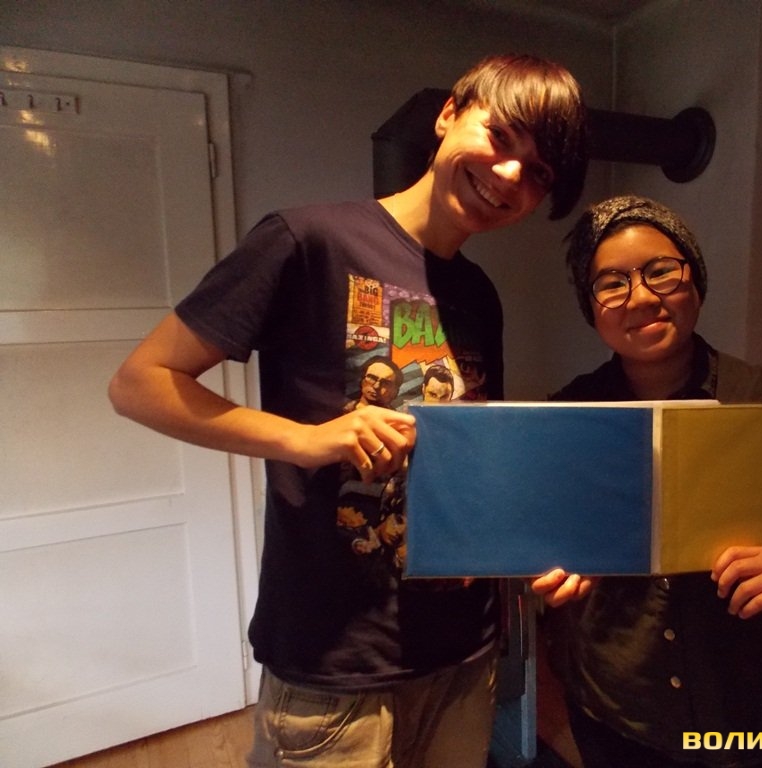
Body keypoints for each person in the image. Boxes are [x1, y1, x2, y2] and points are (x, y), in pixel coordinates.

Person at [108, 53, 588, 768]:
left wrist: (535, 547)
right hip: (334, 657)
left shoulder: (479, 295)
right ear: (449, 114)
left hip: (463, 651)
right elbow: (140, 383)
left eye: (540, 171)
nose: (512, 174)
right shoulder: (307, 241)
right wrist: (305, 441)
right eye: (501, 136)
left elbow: (474, 459)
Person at [531, 195, 762, 768]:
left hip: (745, 708)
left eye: (661, 271)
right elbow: (539, 538)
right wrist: (546, 567)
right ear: (592, 309)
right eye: (612, 283)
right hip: (615, 707)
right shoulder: (568, 415)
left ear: (694, 281)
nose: (640, 297)